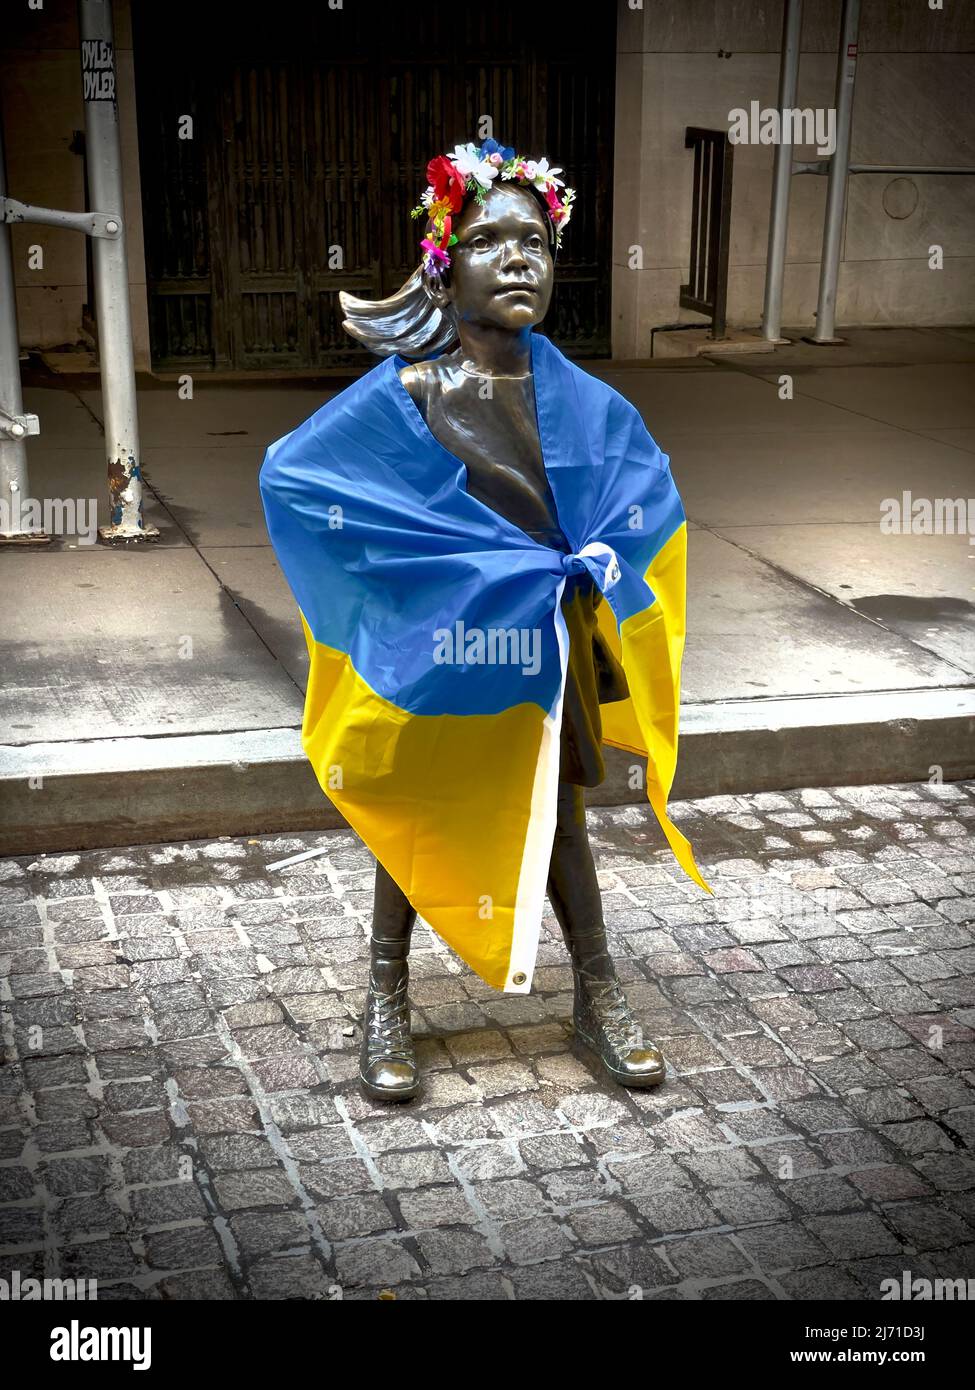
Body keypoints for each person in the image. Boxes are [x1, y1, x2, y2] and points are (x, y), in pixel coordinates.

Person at [259, 140, 708, 1106]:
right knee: (415, 809)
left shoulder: (584, 401)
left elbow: (649, 501)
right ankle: (385, 995)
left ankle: (597, 995)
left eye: (536, 242)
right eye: (488, 240)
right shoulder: (410, 397)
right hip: (446, 651)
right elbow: (299, 478)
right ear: (441, 263)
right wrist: (413, 587)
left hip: (546, 654)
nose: (517, 259)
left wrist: (601, 565)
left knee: (560, 817)